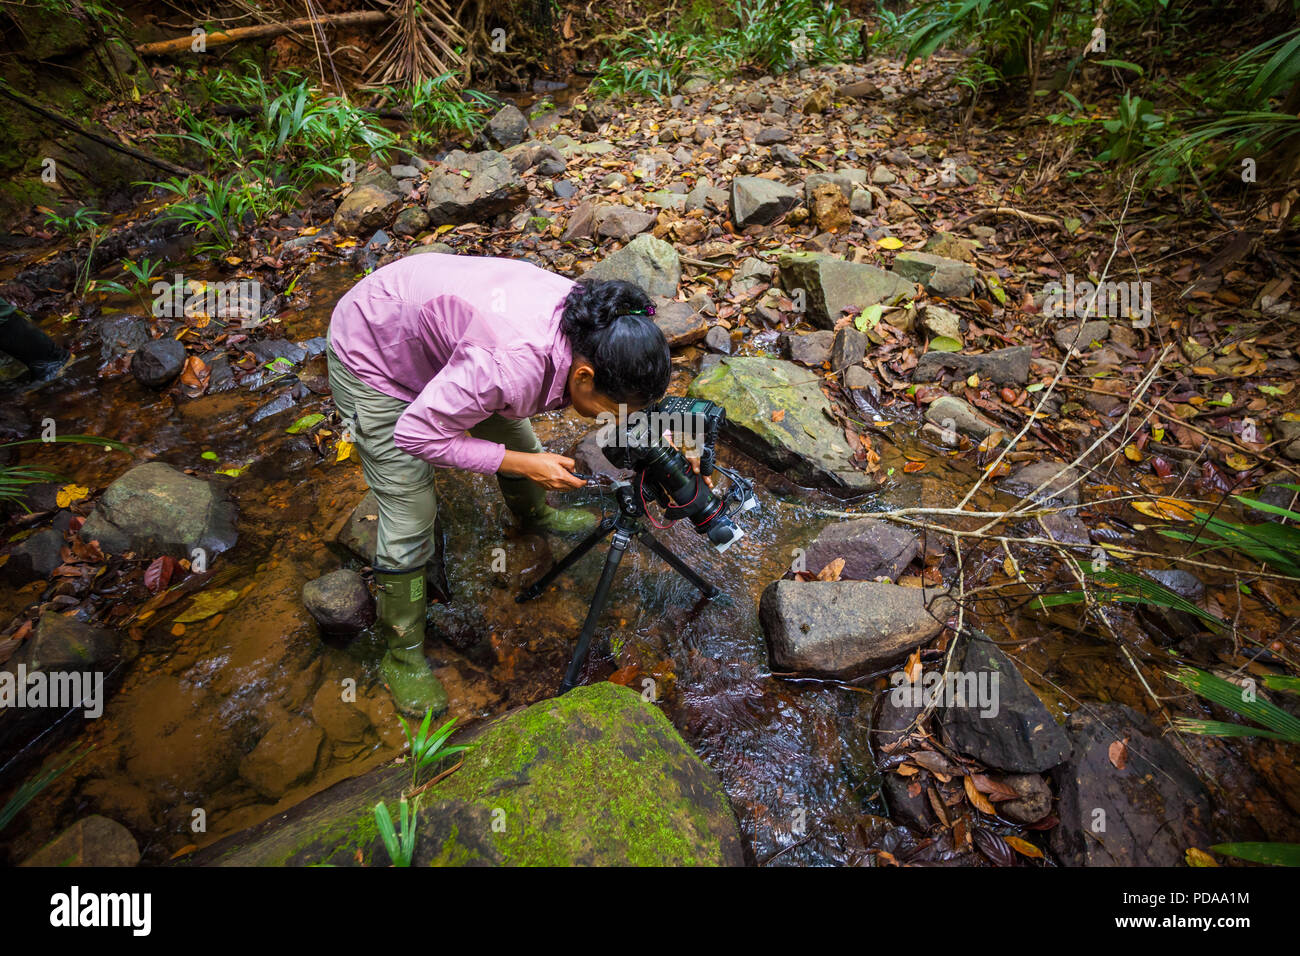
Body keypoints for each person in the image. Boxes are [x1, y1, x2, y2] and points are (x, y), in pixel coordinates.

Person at [326, 253, 671, 715]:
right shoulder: (507, 366)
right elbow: (414, 434)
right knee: (412, 513)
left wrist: (672, 438)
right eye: (614, 408)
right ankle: (402, 654)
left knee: (520, 440)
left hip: (449, 346)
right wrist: (522, 464)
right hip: (374, 355)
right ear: (584, 376)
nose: (615, 420)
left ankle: (537, 515)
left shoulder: (598, 323)